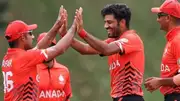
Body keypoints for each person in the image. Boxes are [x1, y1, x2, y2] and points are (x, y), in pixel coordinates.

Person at [67, 4, 145, 101]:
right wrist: (65, 36)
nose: (106, 26)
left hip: (130, 98)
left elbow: (106, 49)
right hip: (118, 98)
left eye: (109, 22)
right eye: (105, 22)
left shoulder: (131, 38)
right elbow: (85, 49)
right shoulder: (112, 41)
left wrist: (82, 32)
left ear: (122, 22)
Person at [1, 6, 77, 101]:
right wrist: (74, 27)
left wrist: (58, 25)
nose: (32, 37)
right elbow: (59, 49)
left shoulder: (9, 57)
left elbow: (39, 47)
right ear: (22, 38)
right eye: (30, 33)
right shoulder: (25, 58)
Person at [144, 0, 180, 100]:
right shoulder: (173, 39)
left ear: (168, 17)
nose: (157, 20)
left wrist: (160, 82)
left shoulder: (177, 40)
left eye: (159, 15)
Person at [37, 33, 72, 101]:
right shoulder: (31, 70)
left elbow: (67, 97)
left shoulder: (64, 70)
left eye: (50, 46)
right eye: (44, 47)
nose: (47, 50)